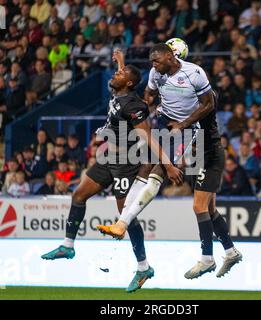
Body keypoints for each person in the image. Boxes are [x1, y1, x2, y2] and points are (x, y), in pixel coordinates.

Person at [41, 49, 182, 293]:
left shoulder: (133, 105)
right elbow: (123, 80)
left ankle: (143, 267)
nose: (116, 73)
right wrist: (122, 62)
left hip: (126, 164)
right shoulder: (118, 90)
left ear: (128, 82)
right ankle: (67, 245)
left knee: (125, 217)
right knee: (79, 195)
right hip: (108, 158)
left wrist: (168, 164)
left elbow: (148, 137)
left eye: (121, 73)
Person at [98, 43, 242, 279]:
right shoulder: (158, 74)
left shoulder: (195, 76)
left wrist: (182, 126)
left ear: (170, 56)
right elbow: (144, 92)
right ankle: (231, 251)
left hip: (205, 147)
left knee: (192, 201)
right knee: (208, 208)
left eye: (155, 61)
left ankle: (206, 258)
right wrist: (149, 100)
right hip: (180, 137)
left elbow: (209, 104)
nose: (152, 67)